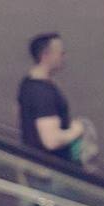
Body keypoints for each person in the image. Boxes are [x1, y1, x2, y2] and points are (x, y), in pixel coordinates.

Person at [17, 33, 83, 163]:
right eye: (60, 53)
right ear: (45, 55)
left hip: (39, 165)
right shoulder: (41, 92)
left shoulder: (28, 83)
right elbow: (51, 141)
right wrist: (76, 130)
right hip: (52, 168)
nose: (63, 57)